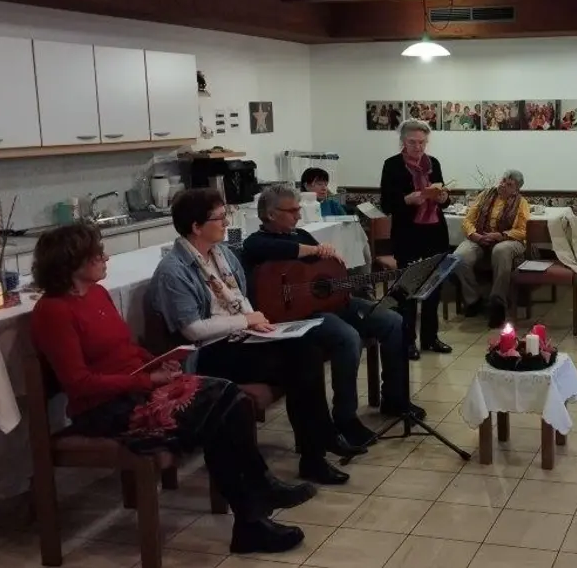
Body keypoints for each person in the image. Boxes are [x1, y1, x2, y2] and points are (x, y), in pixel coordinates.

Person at [29, 224, 315, 555]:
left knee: (231, 399)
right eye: (97, 254)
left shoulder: (97, 293)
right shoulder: (53, 311)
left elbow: (124, 349)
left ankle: (253, 515)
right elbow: (79, 384)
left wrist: (157, 363)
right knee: (224, 404)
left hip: (136, 389)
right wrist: (146, 380)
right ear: (72, 262)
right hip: (105, 408)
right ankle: (255, 508)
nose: (105, 258)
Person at [149, 188, 354, 486]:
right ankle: (318, 448)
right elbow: (192, 330)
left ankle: (316, 450)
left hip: (239, 339)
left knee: (307, 349)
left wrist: (257, 322)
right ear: (196, 226)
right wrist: (246, 320)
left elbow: (240, 297)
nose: (226, 222)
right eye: (220, 218)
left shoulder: (221, 254)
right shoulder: (174, 270)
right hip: (209, 352)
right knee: (299, 362)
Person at [239, 184, 424, 444]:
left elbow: (325, 271)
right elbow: (272, 248)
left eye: (299, 209)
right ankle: (345, 417)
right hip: (296, 315)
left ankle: (394, 398)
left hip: (332, 302)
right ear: (270, 214)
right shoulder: (255, 242)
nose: (299, 215)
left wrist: (336, 266)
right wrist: (315, 250)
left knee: (393, 321)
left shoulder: (302, 234)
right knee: (348, 337)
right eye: (292, 211)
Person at [379, 119, 453, 360]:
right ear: (403, 141)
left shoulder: (434, 163)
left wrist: (443, 198)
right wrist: (407, 200)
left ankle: (430, 337)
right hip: (407, 234)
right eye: (412, 142)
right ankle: (408, 340)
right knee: (408, 288)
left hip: (435, 231)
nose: (418, 147)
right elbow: (386, 204)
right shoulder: (392, 165)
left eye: (422, 142)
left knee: (434, 287)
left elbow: (444, 198)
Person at [454, 170, 531, 328]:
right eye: (503, 180)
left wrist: (501, 235)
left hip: (508, 239)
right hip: (480, 237)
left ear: (516, 189)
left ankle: (498, 304)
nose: (503, 185)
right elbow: (468, 220)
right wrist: (474, 235)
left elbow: (523, 231)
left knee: (500, 251)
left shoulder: (521, 203)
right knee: (459, 257)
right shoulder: (485, 195)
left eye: (509, 184)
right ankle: (473, 300)